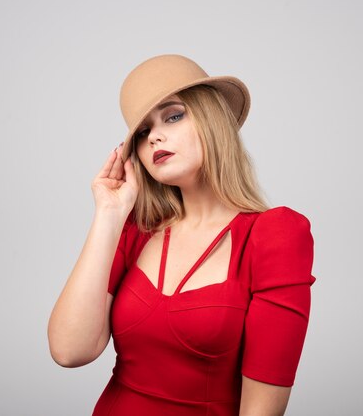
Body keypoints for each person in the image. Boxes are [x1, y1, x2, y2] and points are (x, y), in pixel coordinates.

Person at [47, 54, 316, 416]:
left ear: (213, 120)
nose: (155, 136)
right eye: (143, 132)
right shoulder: (135, 230)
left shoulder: (275, 236)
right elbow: (69, 350)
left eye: (173, 116)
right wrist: (108, 214)